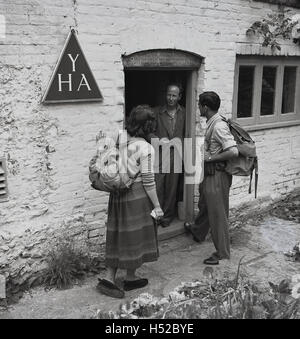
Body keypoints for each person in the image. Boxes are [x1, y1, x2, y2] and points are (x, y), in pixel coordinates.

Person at [97, 105, 164, 298]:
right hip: (136, 195)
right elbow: (149, 180)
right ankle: (129, 277)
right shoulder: (145, 147)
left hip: (118, 193)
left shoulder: (120, 139)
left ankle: (112, 277)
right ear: (149, 126)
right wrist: (158, 206)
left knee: (118, 233)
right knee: (134, 237)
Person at [185, 92, 238, 265]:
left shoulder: (218, 126)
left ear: (205, 107)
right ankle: (198, 232)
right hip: (211, 174)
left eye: (200, 105)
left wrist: (210, 158)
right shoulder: (214, 121)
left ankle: (222, 253)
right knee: (205, 204)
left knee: (218, 214)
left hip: (217, 175)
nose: (198, 107)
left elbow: (233, 151)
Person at [148, 84, 185, 228]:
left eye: (174, 95)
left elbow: (188, 132)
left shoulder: (185, 112)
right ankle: (157, 216)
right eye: (169, 95)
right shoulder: (156, 112)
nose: (171, 98)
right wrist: (157, 141)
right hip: (159, 155)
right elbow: (147, 131)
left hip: (176, 155)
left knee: (171, 188)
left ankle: (167, 217)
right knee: (158, 186)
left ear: (179, 97)